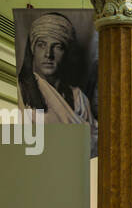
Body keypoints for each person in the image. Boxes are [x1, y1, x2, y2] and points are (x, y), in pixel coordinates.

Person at [17, 11, 98, 155]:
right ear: (33, 50)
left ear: (66, 52)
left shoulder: (79, 98)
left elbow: (94, 144)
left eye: (57, 46)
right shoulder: (21, 91)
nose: (48, 54)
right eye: (41, 45)